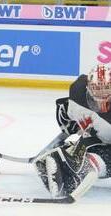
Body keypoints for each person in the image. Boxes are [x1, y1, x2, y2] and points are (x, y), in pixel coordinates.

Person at [35, 64, 111, 199]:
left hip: (102, 142)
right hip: (93, 136)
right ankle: (77, 163)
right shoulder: (78, 90)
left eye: (105, 89)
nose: (101, 93)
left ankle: (78, 164)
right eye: (97, 88)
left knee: (101, 156)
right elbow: (65, 109)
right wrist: (70, 129)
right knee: (93, 152)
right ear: (88, 87)